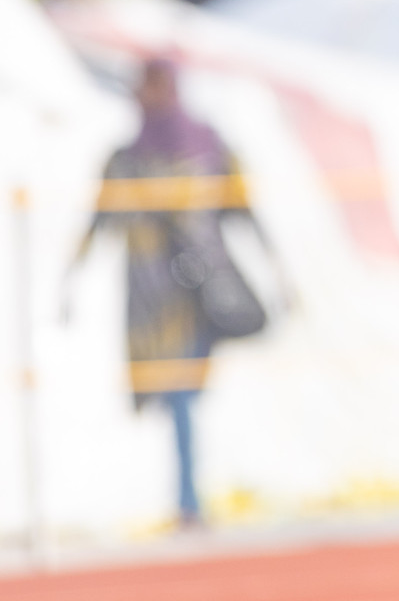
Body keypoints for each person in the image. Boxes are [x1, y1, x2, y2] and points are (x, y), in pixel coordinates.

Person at [62, 57, 281, 529]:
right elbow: (98, 222)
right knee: (178, 393)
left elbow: (243, 210)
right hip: (153, 300)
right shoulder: (124, 159)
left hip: (206, 291)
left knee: (186, 390)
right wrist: (70, 280)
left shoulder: (209, 144)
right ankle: (189, 501)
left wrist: (278, 269)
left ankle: (191, 495)